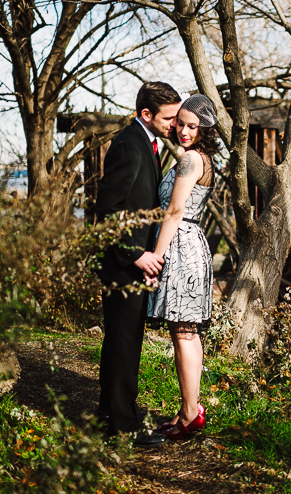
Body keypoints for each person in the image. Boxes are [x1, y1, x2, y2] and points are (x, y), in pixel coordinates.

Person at [94, 81, 181, 448]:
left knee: (121, 342)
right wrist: (136, 255)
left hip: (131, 262)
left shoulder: (147, 141)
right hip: (124, 264)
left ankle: (107, 416)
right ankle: (125, 429)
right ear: (147, 114)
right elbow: (107, 212)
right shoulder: (129, 145)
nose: (175, 124)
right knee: (125, 345)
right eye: (169, 118)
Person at [146, 94, 219, 441]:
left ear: (204, 128)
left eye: (193, 126)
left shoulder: (190, 159)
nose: (185, 130)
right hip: (192, 243)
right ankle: (190, 407)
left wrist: (156, 258)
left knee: (184, 333)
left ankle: (191, 414)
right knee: (186, 332)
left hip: (181, 246)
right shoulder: (200, 158)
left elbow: (174, 212)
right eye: (181, 123)